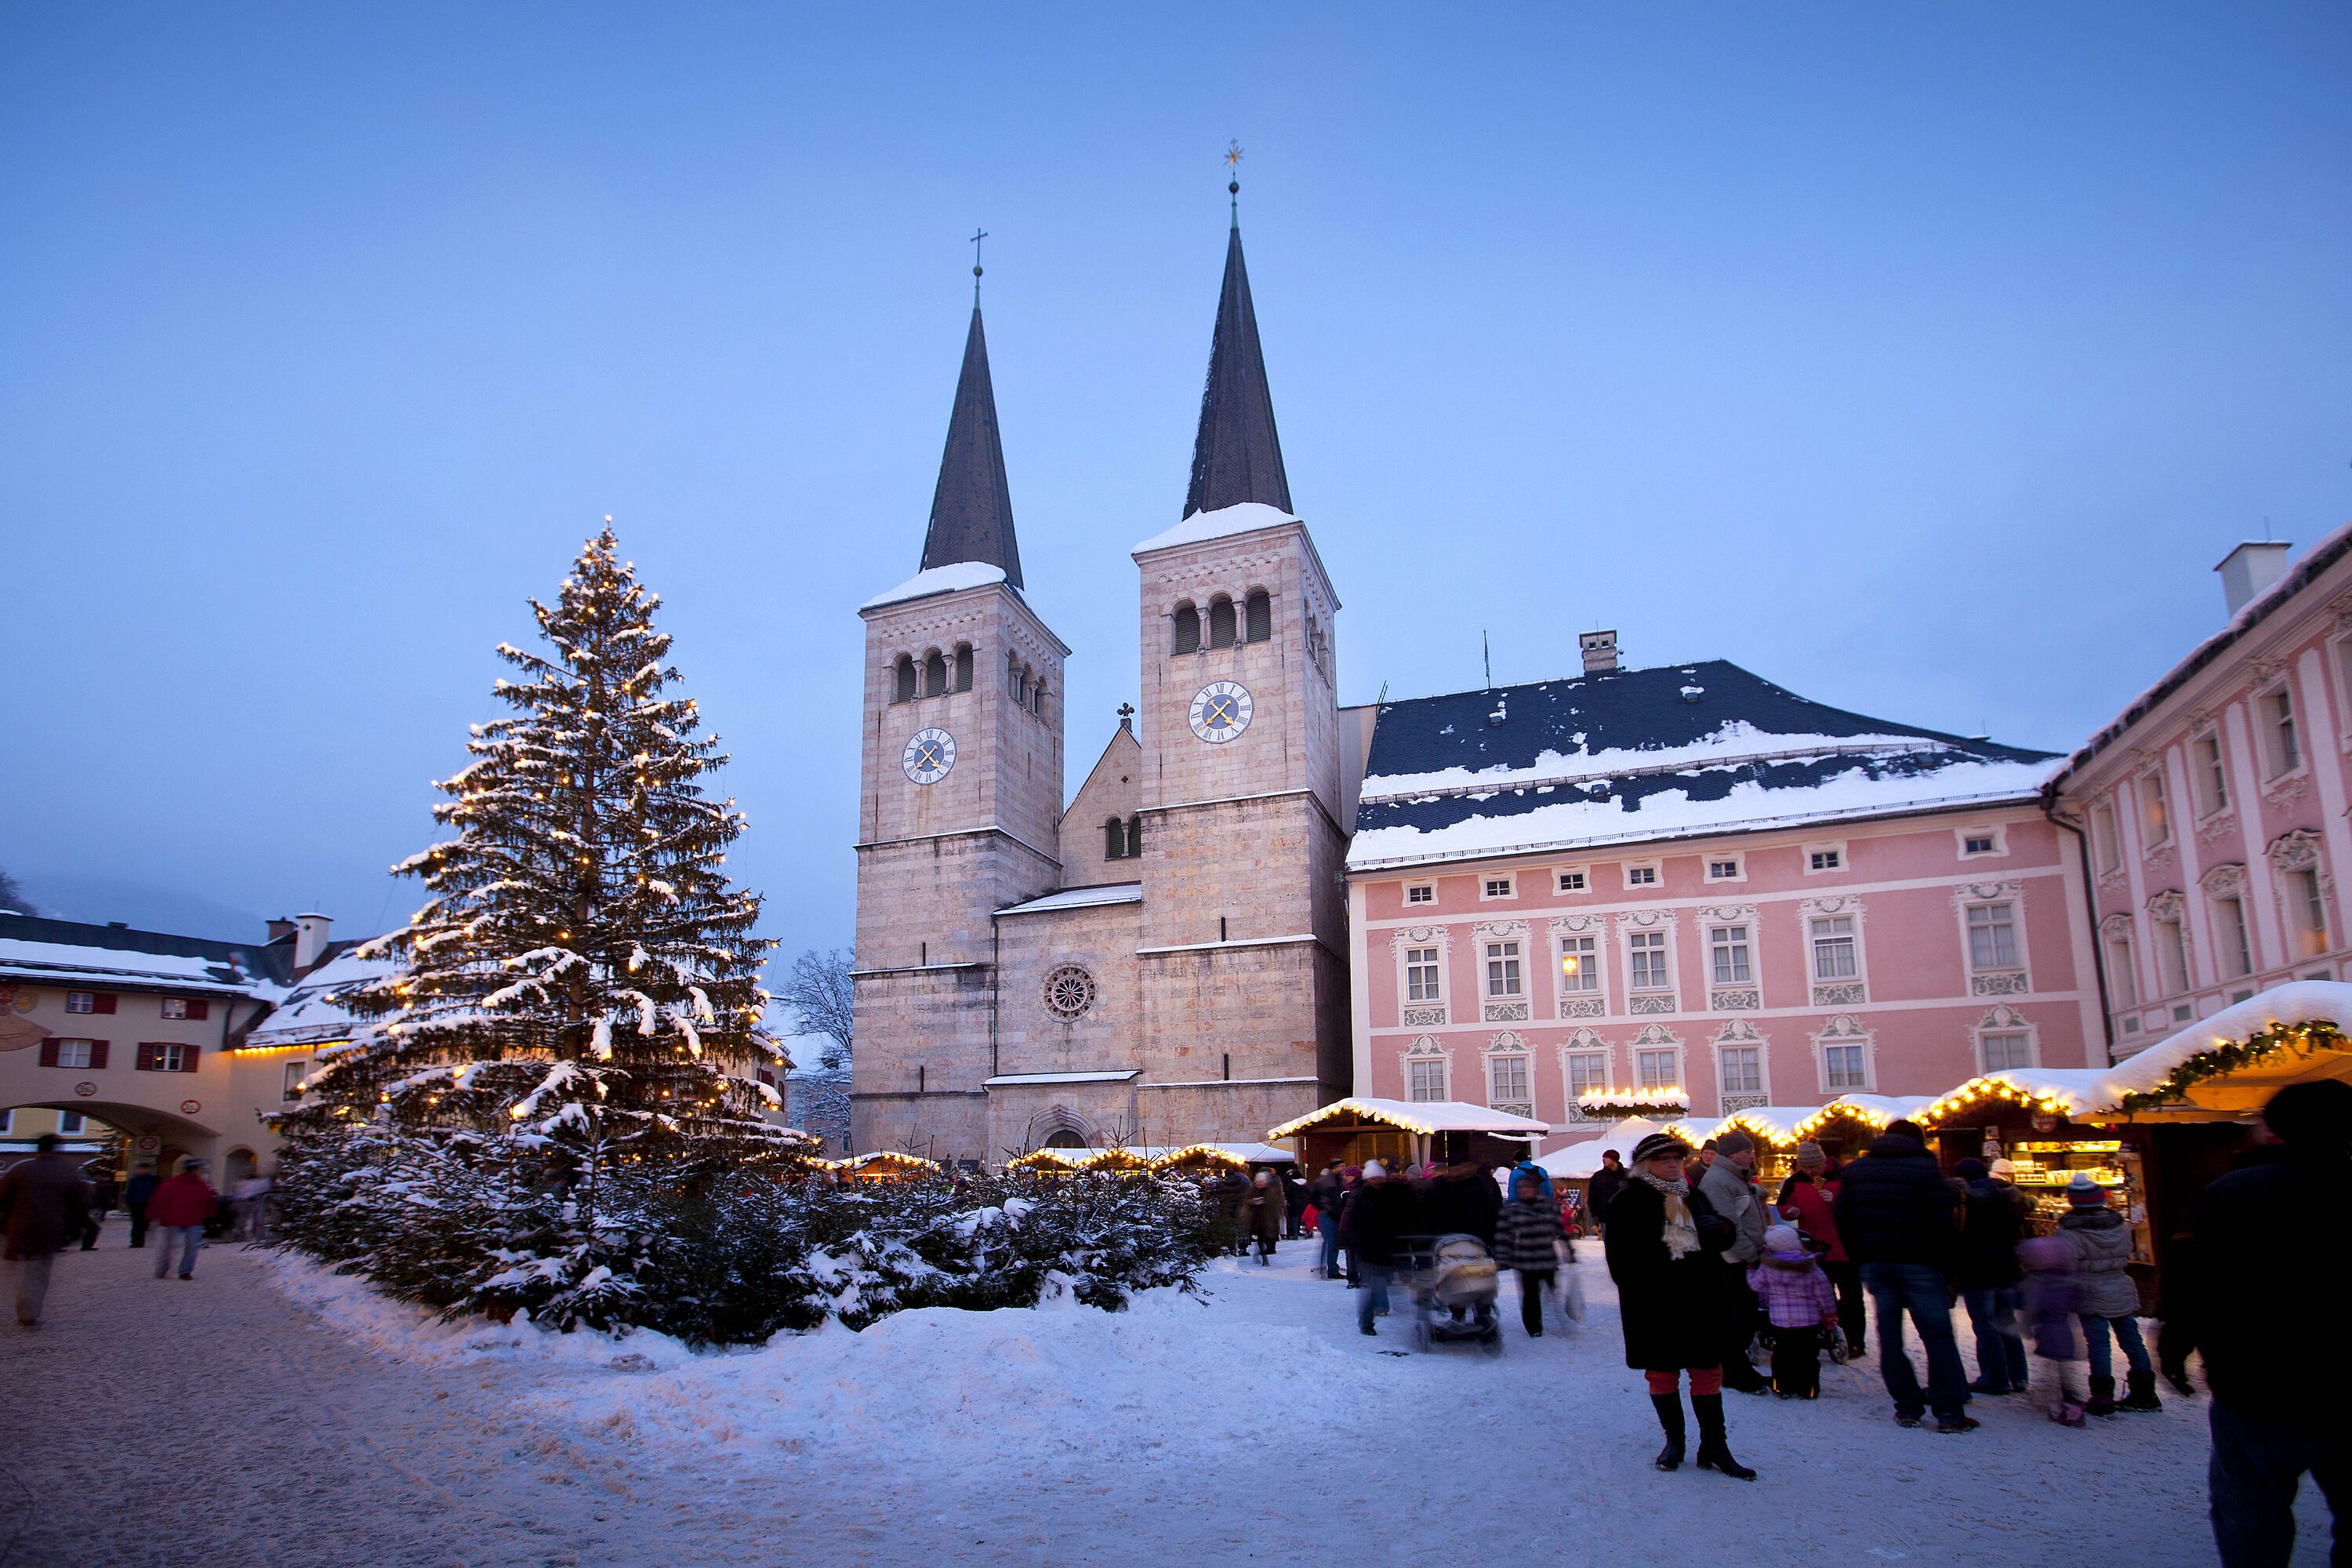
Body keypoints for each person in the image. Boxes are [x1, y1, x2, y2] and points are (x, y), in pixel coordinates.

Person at [2159, 1080, 2350, 1566]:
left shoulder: (2234, 1191)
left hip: (2257, 1380)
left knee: (2252, 1510)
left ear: (2277, 1131)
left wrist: (2177, 1341)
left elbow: (2202, 1279)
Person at [1603, 1131, 1755, 1479]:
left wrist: (1720, 1227)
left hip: (1702, 1300)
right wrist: (1651, 1286)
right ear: (1645, 1165)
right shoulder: (1628, 1201)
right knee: (1662, 1372)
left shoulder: (1693, 1195)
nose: (1673, 1164)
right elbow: (1621, 1263)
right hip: (1655, 1306)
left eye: (1677, 1158)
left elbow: (1717, 1239)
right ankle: (1675, 1441)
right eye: (1664, 1159)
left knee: (1707, 1371)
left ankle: (1715, 1446)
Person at [1834, 1119, 1976, 1433]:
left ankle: (1907, 1406)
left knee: (1890, 1338)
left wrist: (1861, 1256)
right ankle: (1949, 1412)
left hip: (1877, 1263)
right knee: (1937, 1337)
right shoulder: (1926, 1169)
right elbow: (1944, 1224)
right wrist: (1945, 1265)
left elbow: (1842, 1218)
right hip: (1921, 1264)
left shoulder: (1856, 1170)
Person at [2054, 1173, 2153, 1417]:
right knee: (2132, 1340)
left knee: (2098, 1344)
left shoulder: (2069, 1231)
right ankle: (2145, 1393)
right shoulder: (2120, 1224)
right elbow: (2128, 1249)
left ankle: (2102, 1396)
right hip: (2119, 1284)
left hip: (2089, 1289)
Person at [1697, 1128, 1771, 1394]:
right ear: (1732, 1155)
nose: (1753, 1155)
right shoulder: (1719, 1181)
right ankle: (1733, 1372)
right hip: (1732, 1261)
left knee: (1742, 1319)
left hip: (1741, 1258)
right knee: (1736, 1321)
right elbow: (1728, 1225)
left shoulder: (1734, 1177)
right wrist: (1752, 1254)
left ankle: (1737, 1370)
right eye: (1747, 1151)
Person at [1954, 1156, 2032, 1396]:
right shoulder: (2008, 1199)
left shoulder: (1966, 1203)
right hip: (2007, 1269)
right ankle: (2018, 1376)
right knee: (2006, 1323)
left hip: (1978, 1271)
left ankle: (1995, 1378)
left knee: (1986, 1326)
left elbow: (1959, 1237)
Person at [1776, 1141, 1863, 1357]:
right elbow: (1782, 1205)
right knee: (1821, 1297)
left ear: (1823, 1162)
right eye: (1805, 1168)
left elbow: (1858, 1206)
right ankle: (1827, 1337)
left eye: (1813, 1168)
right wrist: (1790, 1212)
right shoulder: (1795, 1182)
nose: (1809, 1172)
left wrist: (1836, 1201)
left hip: (1845, 1249)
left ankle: (1854, 1341)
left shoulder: (1844, 1177)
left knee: (1851, 1298)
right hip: (1815, 1249)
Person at [1, 1134, 93, 1327]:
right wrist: (75, 1230)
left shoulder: (21, 1170)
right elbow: (80, 1204)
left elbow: (2, 1199)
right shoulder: (68, 1172)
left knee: (25, 1269)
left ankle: (26, 1308)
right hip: (51, 1228)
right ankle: (30, 1311)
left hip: (20, 1227)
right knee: (40, 1270)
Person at [1748, 1223, 1838, 1399]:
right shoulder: (1810, 1265)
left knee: (1782, 1354)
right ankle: (1808, 1389)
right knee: (1808, 1356)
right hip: (1808, 1321)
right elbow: (1824, 1292)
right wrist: (1829, 1313)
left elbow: (1756, 1285)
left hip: (1780, 1320)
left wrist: (1750, 1271)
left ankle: (1782, 1387)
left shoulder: (1768, 1267)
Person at [1493, 1168, 1570, 1338]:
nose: (1523, 1191)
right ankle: (1534, 1327)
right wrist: (1502, 1257)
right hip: (1525, 1260)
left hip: (1547, 1258)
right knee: (1530, 1295)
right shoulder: (1512, 1209)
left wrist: (1569, 1250)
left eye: (1527, 1188)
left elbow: (1560, 1229)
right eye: (1521, 1188)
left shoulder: (1548, 1206)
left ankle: (1561, 1320)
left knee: (1553, 1290)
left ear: (1535, 1189)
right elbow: (1501, 1235)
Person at [2020, 1232, 2086, 1425]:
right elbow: (2077, 1301)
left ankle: (2065, 1406)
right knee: (2065, 1369)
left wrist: (2027, 1325)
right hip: (2067, 1331)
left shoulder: (2039, 1284)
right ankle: (2069, 1400)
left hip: (2049, 1332)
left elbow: (2034, 1307)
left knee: (2052, 1370)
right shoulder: (2068, 1280)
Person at [1348, 1162, 1419, 1338]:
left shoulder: (1392, 1194)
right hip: (1369, 1248)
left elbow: (1404, 1214)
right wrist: (1355, 1243)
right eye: (1373, 1178)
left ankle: (1412, 1321)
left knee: (1396, 1285)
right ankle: (1366, 1323)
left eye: (1379, 1177)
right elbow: (1352, 1221)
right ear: (1367, 1179)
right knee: (1373, 1287)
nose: (1377, 1181)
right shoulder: (1359, 1196)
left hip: (1391, 1246)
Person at [147, 1156, 217, 1281]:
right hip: (192, 1219)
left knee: (170, 1246)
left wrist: (156, 1215)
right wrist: (210, 1215)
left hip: (175, 1218)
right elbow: (208, 1200)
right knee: (191, 1245)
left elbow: (160, 1200)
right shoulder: (200, 1184)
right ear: (195, 1170)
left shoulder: (172, 1183)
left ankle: (164, 1269)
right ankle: (185, 1271)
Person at [1310, 1162, 1348, 1279]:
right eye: (1341, 1166)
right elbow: (1313, 1198)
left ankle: (1331, 1268)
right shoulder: (1322, 1182)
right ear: (1334, 1168)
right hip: (1327, 1215)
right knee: (1330, 1242)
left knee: (1334, 1243)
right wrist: (1324, 1208)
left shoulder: (1343, 1181)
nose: (1344, 1168)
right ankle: (1328, 1268)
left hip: (1338, 1215)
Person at [1239, 1168, 1283, 1265]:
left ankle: (1263, 1255)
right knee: (1260, 1237)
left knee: (1264, 1237)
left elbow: (1275, 1203)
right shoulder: (1252, 1190)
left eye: (1262, 1182)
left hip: (1267, 1218)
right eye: (1258, 1182)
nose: (1260, 1184)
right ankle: (1262, 1255)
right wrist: (1253, 1202)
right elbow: (1246, 1201)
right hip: (1254, 1218)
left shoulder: (1270, 1191)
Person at [1586, 1149, 1628, 1238]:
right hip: (1606, 1218)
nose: (1603, 1159)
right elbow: (1592, 1198)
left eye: (1606, 1157)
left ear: (1614, 1159)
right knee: (1610, 1247)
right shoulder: (1598, 1177)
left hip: (1625, 1217)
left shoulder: (1628, 1175)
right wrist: (1595, 1216)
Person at [122, 1163, 158, 1248]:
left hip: (145, 1204)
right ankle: (136, 1242)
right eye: (142, 1169)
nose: (143, 1171)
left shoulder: (152, 1180)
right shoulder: (135, 1180)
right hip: (136, 1204)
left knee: (141, 1224)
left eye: (145, 1169)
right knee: (136, 1224)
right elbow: (130, 1192)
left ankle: (139, 1241)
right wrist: (129, 1201)